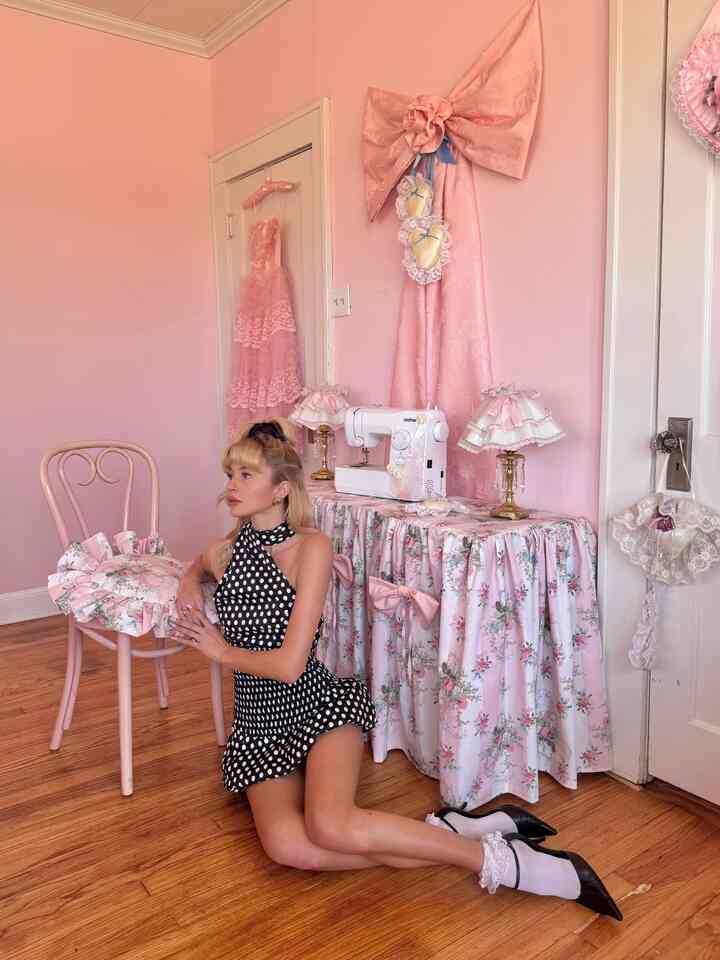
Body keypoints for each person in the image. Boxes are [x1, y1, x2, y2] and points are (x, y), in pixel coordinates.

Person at [172, 419, 622, 920]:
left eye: (245, 476)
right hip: (257, 723)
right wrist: (189, 581)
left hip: (314, 705)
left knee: (332, 828)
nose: (231, 486)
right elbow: (197, 562)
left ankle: (505, 863)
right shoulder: (225, 551)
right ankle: (454, 831)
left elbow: (289, 664)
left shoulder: (311, 548)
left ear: (280, 490)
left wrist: (222, 653)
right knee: (289, 850)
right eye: (230, 473)